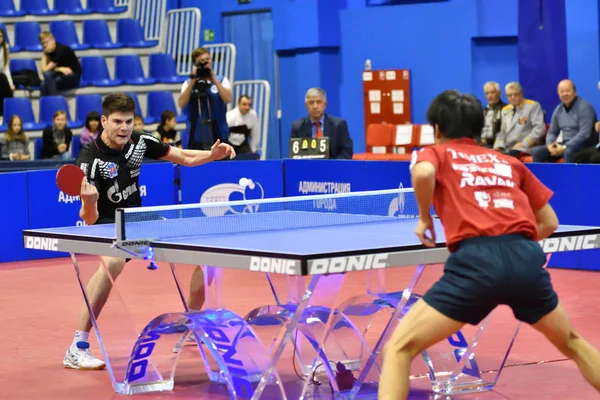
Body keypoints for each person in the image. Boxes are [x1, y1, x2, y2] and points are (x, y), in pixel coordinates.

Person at [378, 90, 600, 399]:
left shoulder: (436, 154)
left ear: (438, 130)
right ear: (479, 128)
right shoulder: (508, 162)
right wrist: (512, 243)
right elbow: (549, 222)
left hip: (476, 262)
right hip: (524, 257)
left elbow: (424, 172)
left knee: (398, 349)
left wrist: (424, 217)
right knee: (573, 342)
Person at [64, 93, 235, 370]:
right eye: (117, 121)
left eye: (129, 121)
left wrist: (212, 156)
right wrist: (89, 201)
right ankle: (77, 346)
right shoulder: (88, 159)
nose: (124, 128)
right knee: (113, 263)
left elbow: (183, 157)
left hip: (139, 217)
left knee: (208, 252)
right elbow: (88, 217)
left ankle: (193, 325)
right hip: (106, 222)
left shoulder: (139, 142)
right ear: (104, 121)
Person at [178, 47, 232, 150]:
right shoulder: (188, 82)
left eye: (208, 59)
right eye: (201, 61)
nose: (206, 62)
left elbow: (228, 99)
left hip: (219, 134)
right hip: (196, 134)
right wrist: (193, 81)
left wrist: (214, 80)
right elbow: (181, 103)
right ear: (195, 64)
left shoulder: (221, 80)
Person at [290, 88, 353, 159]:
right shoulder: (297, 127)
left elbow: (346, 154)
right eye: (311, 102)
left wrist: (328, 166)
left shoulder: (339, 125)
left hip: (332, 168)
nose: (315, 106)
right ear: (306, 105)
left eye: (319, 102)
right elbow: (294, 157)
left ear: (325, 104)